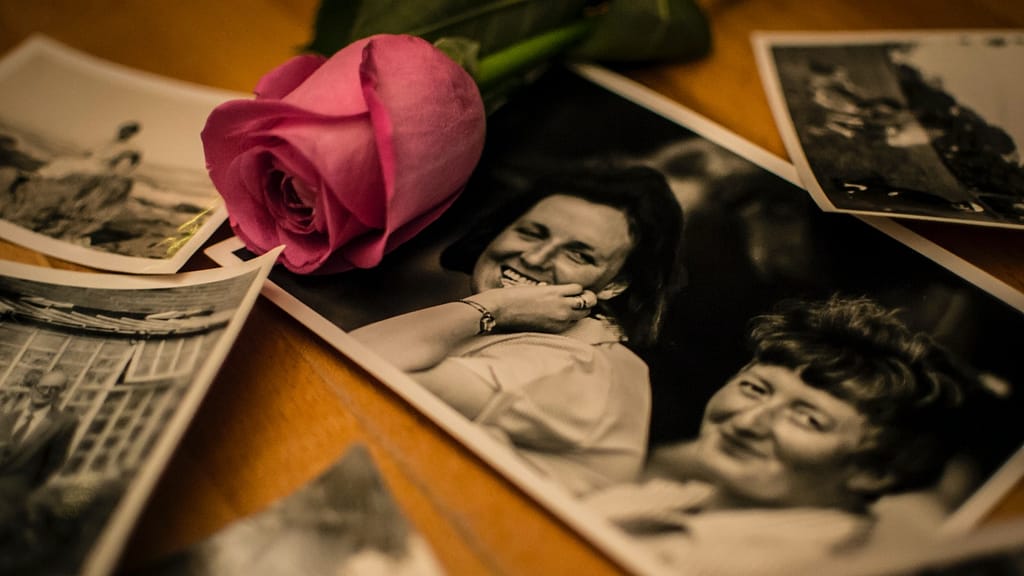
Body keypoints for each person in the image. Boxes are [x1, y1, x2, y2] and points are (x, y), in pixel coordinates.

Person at [585, 295, 989, 575]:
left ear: (875, 471)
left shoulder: (780, 566)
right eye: (755, 389)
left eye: (808, 419)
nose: (746, 422)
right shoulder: (690, 500)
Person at [352, 164, 686, 496]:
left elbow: (354, 372)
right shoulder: (575, 343)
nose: (536, 257)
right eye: (531, 232)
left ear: (615, 285)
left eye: (578, 254)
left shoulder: (572, 366)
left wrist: (495, 306)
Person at [0, 369, 78, 529]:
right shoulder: (8, 418)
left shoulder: (63, 423)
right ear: (33, 386)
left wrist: (25, 492)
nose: (46, 392)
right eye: (43, 386)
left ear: (60, 393)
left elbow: (53, 464)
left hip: (13, 498)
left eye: (54, 389)